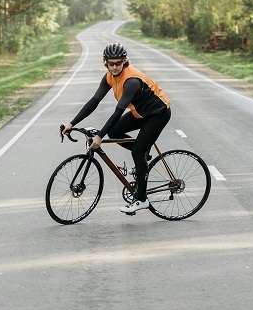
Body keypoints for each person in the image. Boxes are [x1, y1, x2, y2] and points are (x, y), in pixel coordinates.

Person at [60, 42, 171, 214]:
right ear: (105, 63)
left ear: (124, 61)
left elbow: (118, 112)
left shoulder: (131, 81)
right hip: (139, 112)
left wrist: (99, 137)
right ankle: (143, 155)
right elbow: (94, 101)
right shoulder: (109, 77)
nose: (114, 67)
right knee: (115, 132)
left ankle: (142, 199)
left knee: (136, 153)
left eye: (118, 63)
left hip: (158, 113)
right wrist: (72, 123)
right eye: (111, 63)